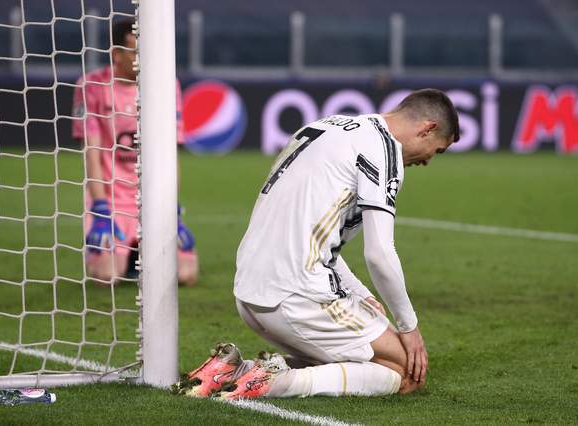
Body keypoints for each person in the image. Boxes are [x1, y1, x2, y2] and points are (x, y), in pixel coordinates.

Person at [176, 89, 459, 399]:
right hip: (298, 297)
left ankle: (232, 370)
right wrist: (409, 328)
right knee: (406, 372)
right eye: (438, 150)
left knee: (356, 359)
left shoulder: (327, 126)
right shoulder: (383, 150)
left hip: (248, 292)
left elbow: (314, 236)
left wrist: (361, 293)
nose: (428, 161)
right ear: (427, 129)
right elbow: (379, 254)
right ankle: (278, 382)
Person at [72, 19, 198, 286]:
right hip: (112, 197)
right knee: (107, 276)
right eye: (136, 52)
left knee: (186, 274)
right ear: (116, 54)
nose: (144, 58)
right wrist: (100, 207)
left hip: (151, 197)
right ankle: (130, 254)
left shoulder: (165, 85)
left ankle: (136, 252)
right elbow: (91, 152)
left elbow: (170, 155)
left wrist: (172, 210)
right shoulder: (91, 85)